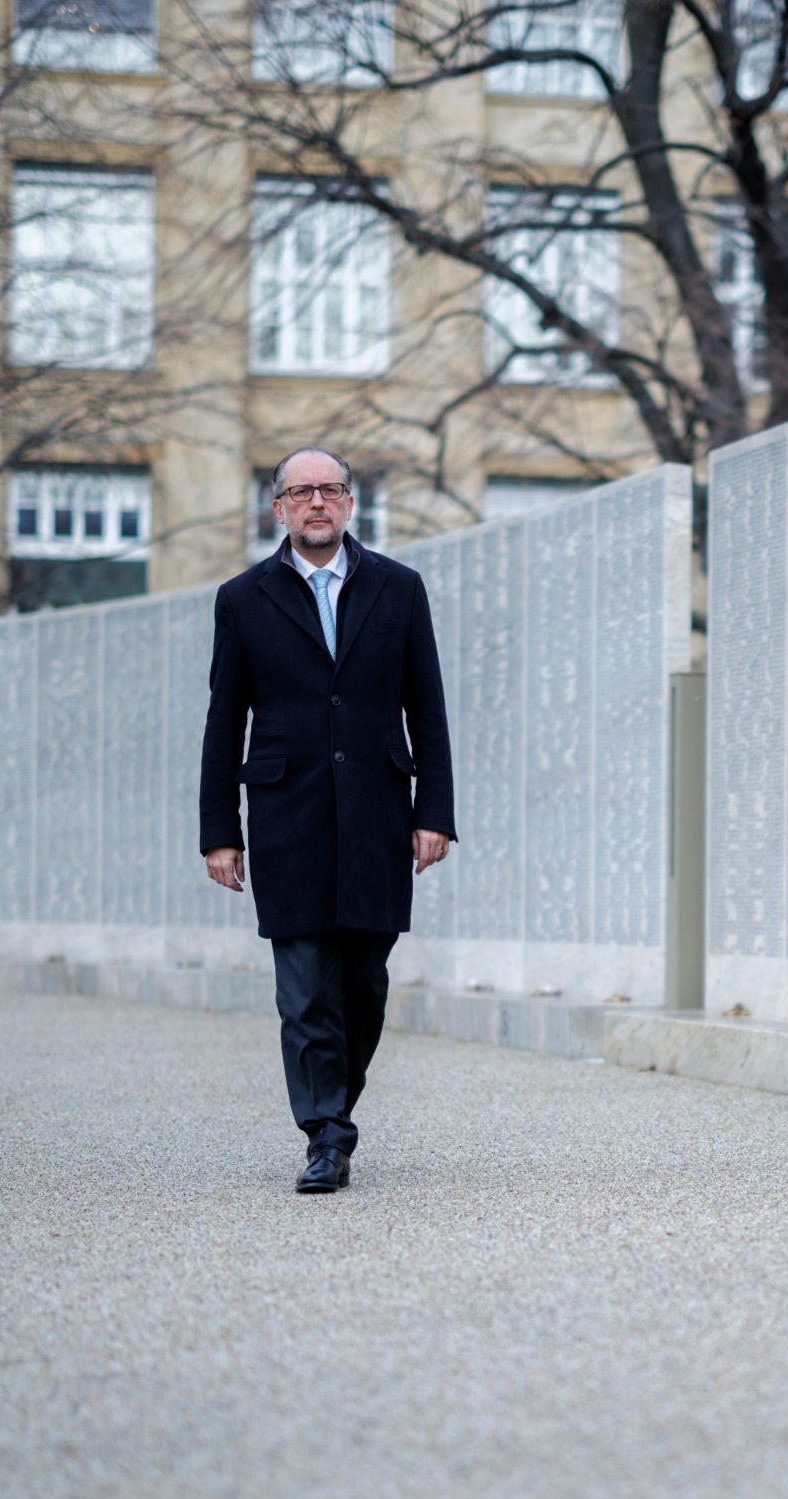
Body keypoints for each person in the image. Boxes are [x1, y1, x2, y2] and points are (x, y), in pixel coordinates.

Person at [198, 446, 456, 1192]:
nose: (317, 503)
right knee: (306, 987)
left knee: (363, 985)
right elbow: (225, 721)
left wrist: (433, 811)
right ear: (277, 508)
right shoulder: (243, 599)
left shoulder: (399, 590)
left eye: (331, 490)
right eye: (300, 492)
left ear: (349, 504)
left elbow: (427, 710)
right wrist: (221, 830)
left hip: (379, 811)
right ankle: (325, 1132)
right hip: (288, 817)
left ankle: (334, 1109)